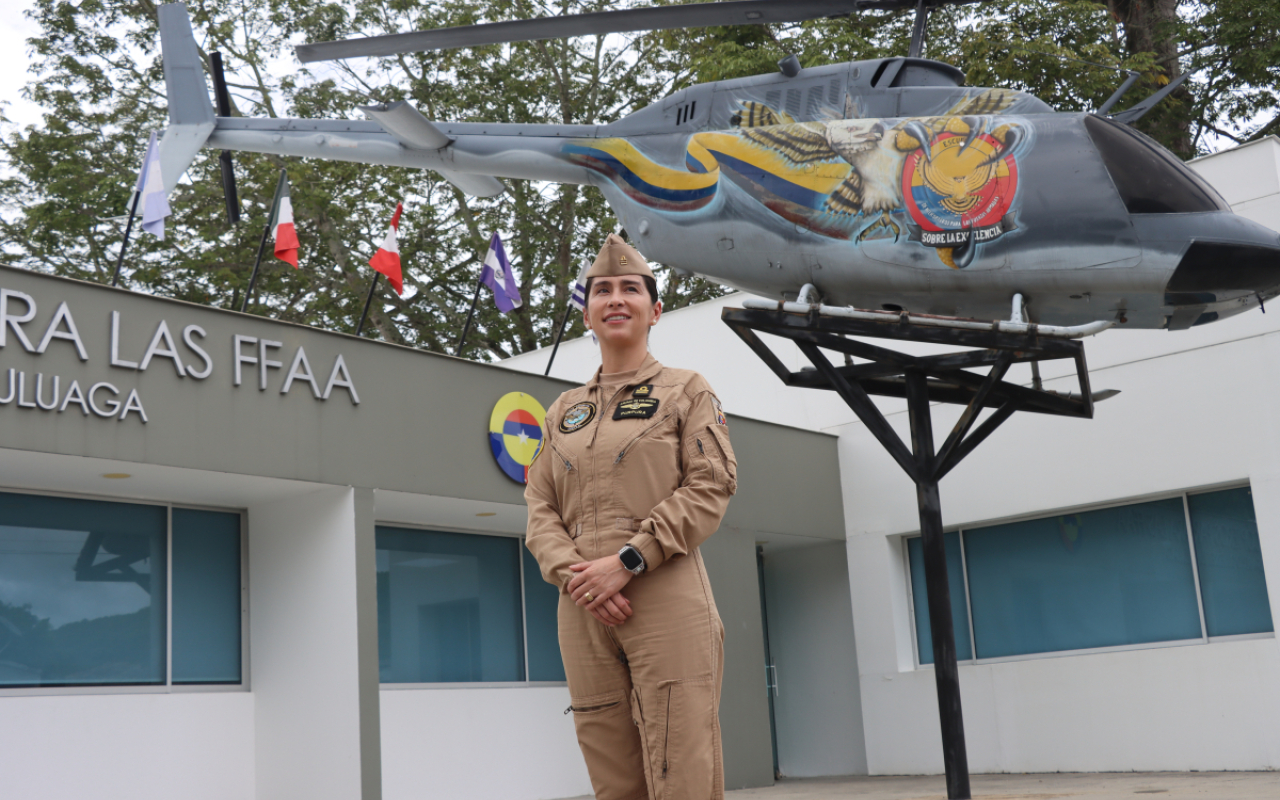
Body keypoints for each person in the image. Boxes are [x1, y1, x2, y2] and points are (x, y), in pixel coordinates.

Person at [524, 233, 738, 800]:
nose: (615, 299)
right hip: (583, 604)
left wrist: (627, 560)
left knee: (681, 764)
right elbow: (539, 505)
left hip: (663, 592)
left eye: (629, 289)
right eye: (602, 291)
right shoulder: (563, 410)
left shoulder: (686, 391)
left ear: (654, 310)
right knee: (611, 771)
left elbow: (711, 484)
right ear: (588, 312)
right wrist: (577, 576)